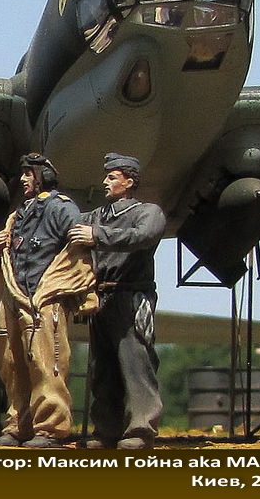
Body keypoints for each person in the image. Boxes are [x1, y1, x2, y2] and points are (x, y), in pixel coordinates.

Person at [0, 153, 94, 448]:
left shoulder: (61, 208)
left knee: (47, 363)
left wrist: (77, 289)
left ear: (43, 176)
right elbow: (10, 250)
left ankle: (50, 427)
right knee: (11, 362)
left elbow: (80, 246)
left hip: (43, 296)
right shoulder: (19, 214)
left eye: (28, 173)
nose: (23, 179)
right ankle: (18, 424)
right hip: (15, 293)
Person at [68, 152, 166, 450]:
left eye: (112, 177)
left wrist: (96, 236)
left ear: (129, 181)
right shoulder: (95, 216)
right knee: (103, 367)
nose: (105, 182)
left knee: (136, 362)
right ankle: (106, 430)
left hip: (131, 296)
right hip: (100, 298)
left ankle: (141, 429)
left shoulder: (147, 212)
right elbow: (67, 225)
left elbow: (144, 236)